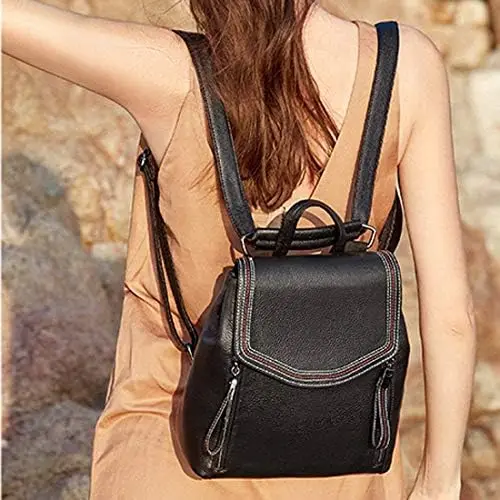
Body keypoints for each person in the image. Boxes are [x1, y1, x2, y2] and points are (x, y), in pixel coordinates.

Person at [2, 1, 477, 499]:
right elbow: (452, 317)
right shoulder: (404, 67)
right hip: (340, 464)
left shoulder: (164, 72)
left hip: (174, 459)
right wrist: (439, 482)